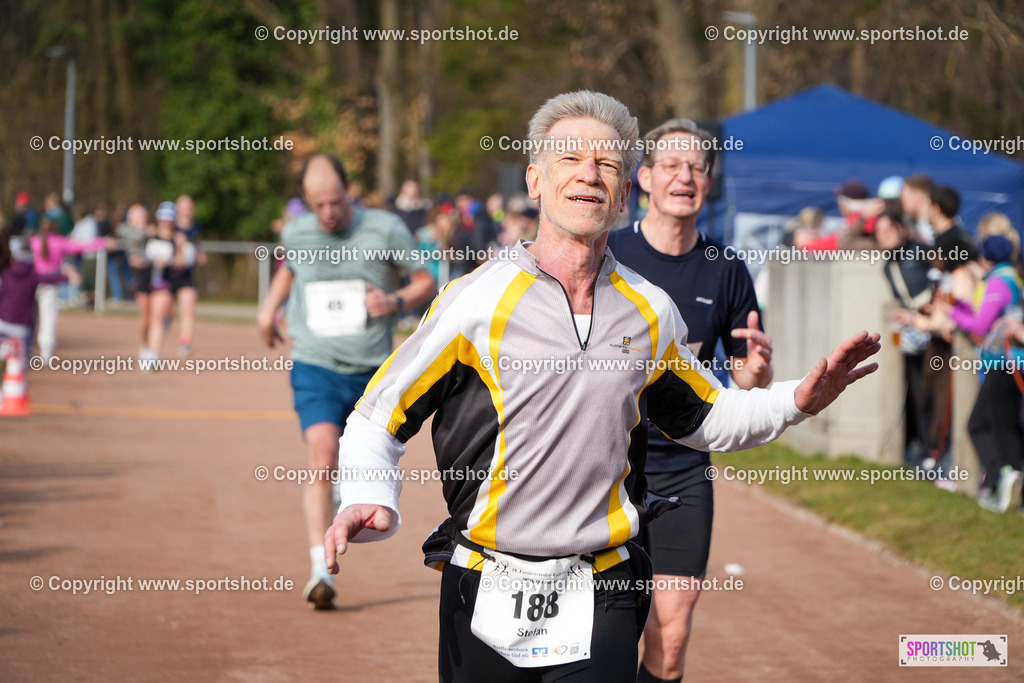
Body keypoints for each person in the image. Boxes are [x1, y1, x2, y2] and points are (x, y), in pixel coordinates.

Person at [322, 91, 880, 682]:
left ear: (621, 195)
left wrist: (796, 401)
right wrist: (369, 493)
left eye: (608, 164)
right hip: (483, 581)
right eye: (570, 159)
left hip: (603, 586)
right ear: (535, 180)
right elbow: (378, 416)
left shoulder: (650, 311)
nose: (589, 174)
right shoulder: (474, 302)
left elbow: (707, 418)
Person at [606, 118, 773, 682]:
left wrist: (752, 374)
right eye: (672, 166)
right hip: (602, 465)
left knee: (671, 635)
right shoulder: (609, 257)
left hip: (682, 467)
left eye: (698, 167)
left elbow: (741, 376)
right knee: (601, 633)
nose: (686, 176)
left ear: (708, 183)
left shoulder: (725, 269)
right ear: (646, 178)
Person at [256, 154, 436, 609]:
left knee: (348, 459)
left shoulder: (386, 229)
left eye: (336, 202)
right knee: (322, 456)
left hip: (372, 372)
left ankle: (341, 496)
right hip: (315, 364)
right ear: (306, 203)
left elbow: (424, 282)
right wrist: (267, 310)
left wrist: (393, 300)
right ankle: (321, 566)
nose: (329, 213)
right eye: (319, 205)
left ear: (349, 190)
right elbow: (290, 269)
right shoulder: (297, 233)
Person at [936, 235, 1024, 512]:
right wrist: (961, 309)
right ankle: (1007, 481)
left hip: (1005, 363)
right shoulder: (1012, 277)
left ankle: (1005, 477)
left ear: (985, 259)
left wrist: (951, 312)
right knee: (996, 425)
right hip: (1009, 363)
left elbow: (981, 325)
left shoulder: (999, 281)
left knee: (988, 426)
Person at [877, 210, 934, 467]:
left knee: (931, 392)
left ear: (902, 228)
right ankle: (919, 448)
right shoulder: (888, 265)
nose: (884, 236)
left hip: (933, 330)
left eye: (889, 229)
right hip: (910, 336)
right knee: (913, 392)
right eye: (880, 232)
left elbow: (940, 281)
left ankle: (934, 452)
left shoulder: (920, 251)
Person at [29, 214, 109, 362]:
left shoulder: (34, 241)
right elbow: (82, 246)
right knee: (48, 317)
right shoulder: (60, 242)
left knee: (31, 317)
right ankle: (46, 352)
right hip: (50, 284)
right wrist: (102, 242)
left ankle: (29, 348)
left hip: (33, 283)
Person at [117, 204, 155, 355]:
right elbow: (136, 236)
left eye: (144, 219)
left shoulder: (150, 231)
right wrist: (146, 230)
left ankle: (153, 339)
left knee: (159, 310)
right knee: (145, 315)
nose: (142, 221)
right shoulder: (125, 229)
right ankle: (146, 345)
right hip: (139, 275)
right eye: (139, 218)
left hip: (154, 272)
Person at [173, 195, 205, 355]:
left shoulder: (195, 228)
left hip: (187, 274)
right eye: (184, 207)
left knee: (189, 307)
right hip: (169, 275)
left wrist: (200, 253)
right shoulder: (170, 227)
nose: (187, 210)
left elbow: (197, 244)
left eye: (189, 207)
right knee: (167, 310)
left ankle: (186, 342)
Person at [900, 174, 936, 244]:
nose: (902, 204)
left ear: (918, 197)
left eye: (904, 200)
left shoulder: (942, 225)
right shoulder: (911, 224)